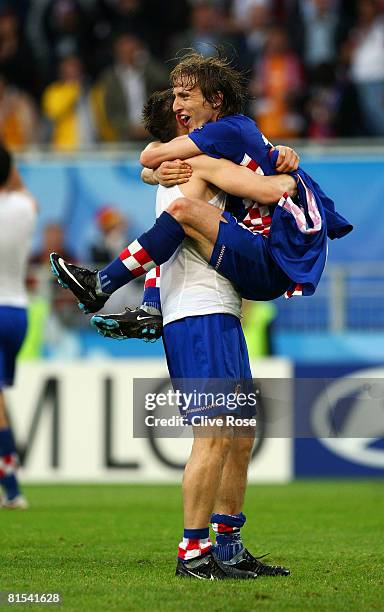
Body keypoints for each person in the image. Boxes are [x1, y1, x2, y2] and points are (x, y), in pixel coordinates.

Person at [49, 89, 299, 580]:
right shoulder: (200, 164)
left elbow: (153, 168)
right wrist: (290, 169)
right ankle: (194, 552)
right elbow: (271, 191)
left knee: (239, 435)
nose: (191, 116)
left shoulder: (177, 168)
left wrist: (154, 167)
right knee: (213, 437)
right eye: (181, 108)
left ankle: (228, 546)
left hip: (218, 311)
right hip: (198, 313)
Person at [0, 145, 37, 509]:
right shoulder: (23, 208)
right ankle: (10, 484)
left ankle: (12, 489)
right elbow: (25, 193)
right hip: (17, 314)